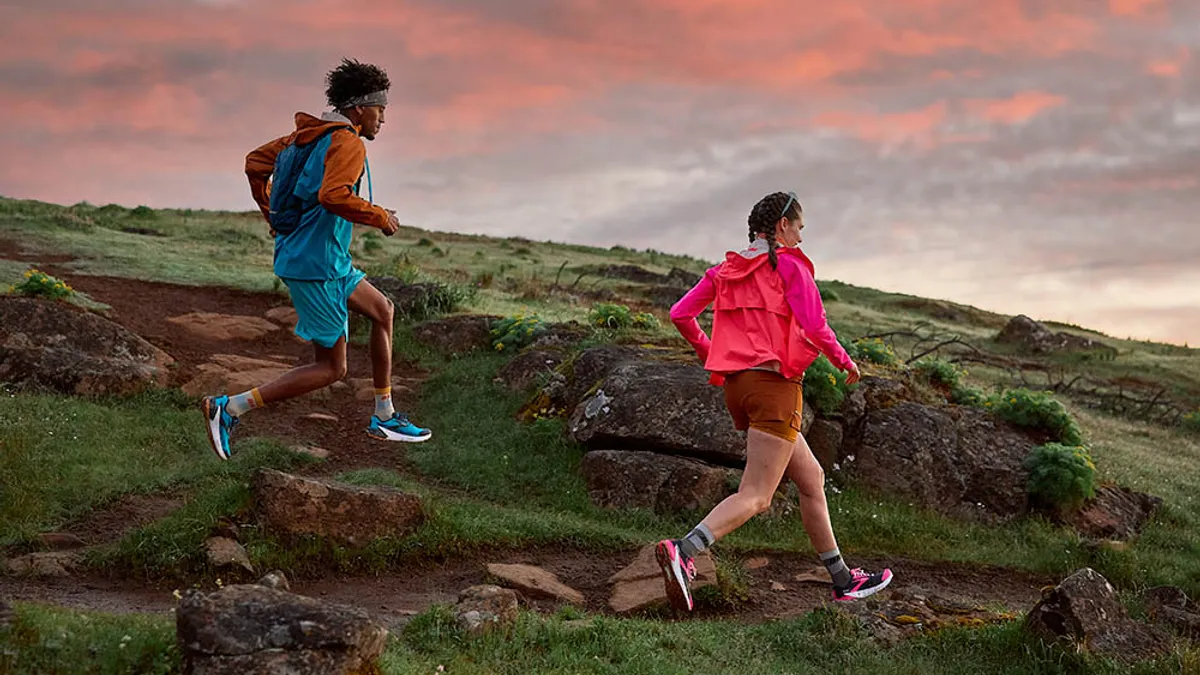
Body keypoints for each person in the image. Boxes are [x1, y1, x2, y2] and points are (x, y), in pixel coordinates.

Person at [656, 191, 892, 611]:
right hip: (776, 389)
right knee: (757, 496)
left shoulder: (725, 269)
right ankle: (684, 551)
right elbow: (816, 325)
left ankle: (842, 579)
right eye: (799, 227)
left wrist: (710, 351)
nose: (801, 237)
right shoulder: (790, 266)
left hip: (739, 390)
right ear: (782, 225)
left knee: (811, 478)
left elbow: (679, 314)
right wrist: (844, 361)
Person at [201, 58, 431, 461]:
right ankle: (230, 407)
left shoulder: (301, 138)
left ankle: (384, 414)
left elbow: (255, 162)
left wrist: (270, 211)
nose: (383, 119)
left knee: (383, 310)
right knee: (331, 369)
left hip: (330, 260)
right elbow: (333, 195)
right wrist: (381, 218)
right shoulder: (347, 141)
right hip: (315, 267)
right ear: (359, 107)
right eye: (381, 109)